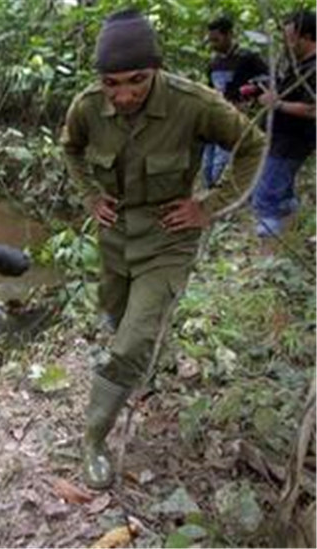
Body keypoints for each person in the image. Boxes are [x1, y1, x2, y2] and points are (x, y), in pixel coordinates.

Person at [60, 9, 265, 489]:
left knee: (129, 342)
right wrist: (91, 196)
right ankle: (136, 362)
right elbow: (70, 149)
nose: (124, 94)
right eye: (112, 83)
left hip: (169, 239)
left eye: (136, 80)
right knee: (116, 317)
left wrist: (209, 206)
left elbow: (252, 145)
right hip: (114, 239)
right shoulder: (87, 106)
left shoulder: (192, 103)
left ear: (155, 69)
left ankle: (92, 438)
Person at [251, 9, 316, 246]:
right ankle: (288, 233)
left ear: (307, 37)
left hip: (292, 142)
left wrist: (277, 103)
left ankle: (268, 257)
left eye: (291, 38)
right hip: (279, 139)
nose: (287, 44)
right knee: (279, 193)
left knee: (265, 197)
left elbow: (313, 109)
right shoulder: (298, 66)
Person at [202, 15, 269, 187]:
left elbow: (269, 80)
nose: (213, 45)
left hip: (235, 118)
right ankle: (210, 194)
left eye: (216, 40)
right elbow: (211, 89)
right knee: (206, 166)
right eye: (211, 41)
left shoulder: (248, 58)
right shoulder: (214, 63)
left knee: (221, 163)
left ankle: (217, 201)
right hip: (213, 117)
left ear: (229, 35)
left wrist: (250, 91)